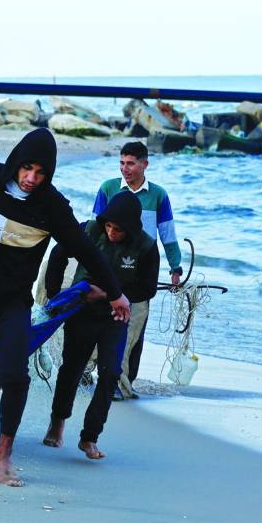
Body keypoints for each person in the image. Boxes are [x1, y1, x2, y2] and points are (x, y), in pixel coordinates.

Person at [0, 127, 131, 487]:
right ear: (15, 163)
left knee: (16, 374)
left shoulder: (51, 206)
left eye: (41, 173)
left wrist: (116, 291)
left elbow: (86, 250)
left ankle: (3, 453)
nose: (31, 179)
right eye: (27, 169)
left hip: (12, 302)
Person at [42, 191, 158, 459]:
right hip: (82, 312)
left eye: (118, 229)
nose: (111, 232)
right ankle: (57, 422)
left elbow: (148, 287)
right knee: (71, 368)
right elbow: (57, 256)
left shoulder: (146, 246)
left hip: (116, 317)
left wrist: (108, 295)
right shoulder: (89, 230)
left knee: (110, 372)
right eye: (108, 225)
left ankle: (90, 437)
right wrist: (53, 297)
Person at [92, 141, 182, 399]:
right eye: (121, 163)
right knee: (98, 319)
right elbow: (95, 228)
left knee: (134, 327)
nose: (125, 169)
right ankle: (92, 372)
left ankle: (123, 382)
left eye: (131, 163)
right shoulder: (108, 188)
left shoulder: (158, 195)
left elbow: (167, 233)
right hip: (109, 266)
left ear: (145, 164)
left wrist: (175, 268)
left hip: (141, 270)